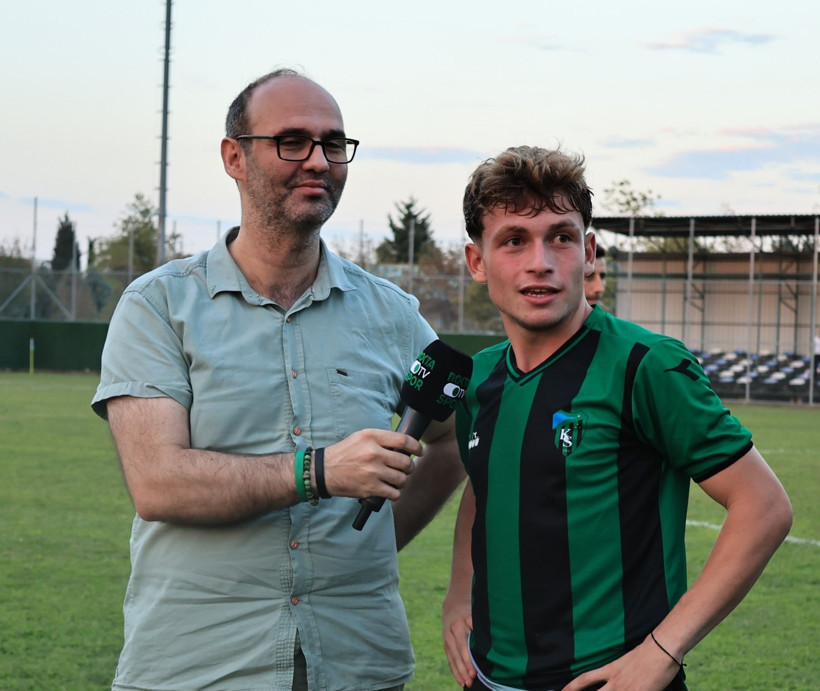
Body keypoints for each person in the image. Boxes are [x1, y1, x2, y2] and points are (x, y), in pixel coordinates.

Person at [92, 68, 464, 691]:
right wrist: (319, 471)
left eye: (333, 144)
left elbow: (451, 438)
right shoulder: (158, 305)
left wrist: (371, 536)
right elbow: (157, 481)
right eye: (292, 141)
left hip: (356, 664)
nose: (318, 160)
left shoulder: (393, 315)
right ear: (234, 157)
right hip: (199, 667)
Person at [441, 145, 793, 691]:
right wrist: (458, 593)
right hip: (488, 678)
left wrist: (661, 650)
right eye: (514, 241)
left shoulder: (646, 365)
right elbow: (483, 486)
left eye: (560, 236)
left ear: (588, 251)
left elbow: (764, 506)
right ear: (477, 262)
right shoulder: (479, 379)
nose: (541, 261)